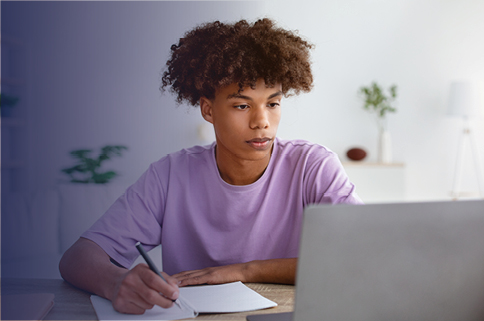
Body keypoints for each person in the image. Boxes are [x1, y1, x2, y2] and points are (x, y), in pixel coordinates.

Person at [59, 18, 363, 315]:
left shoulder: (312, 167)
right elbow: (77, 258)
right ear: (208, 109)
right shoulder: (170, 175)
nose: (262, 122)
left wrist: (245, 271)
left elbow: (361, 255)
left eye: (272, 103)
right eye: (242, 105)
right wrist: (116, 282)